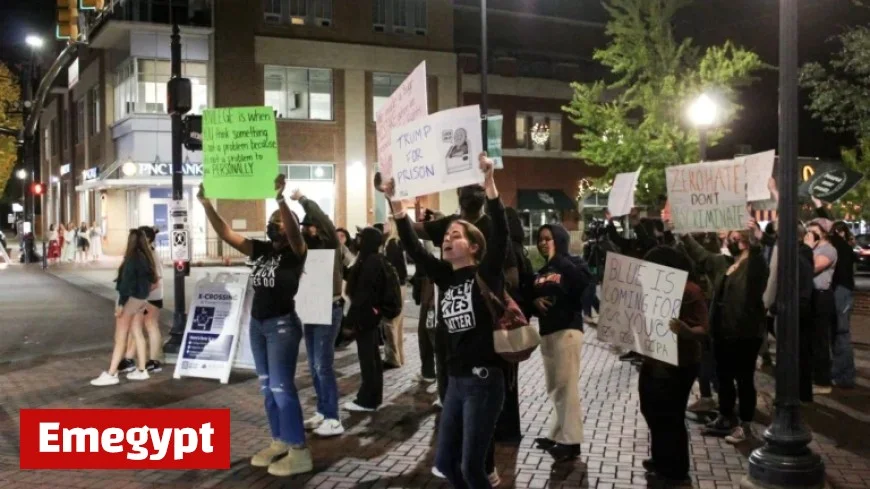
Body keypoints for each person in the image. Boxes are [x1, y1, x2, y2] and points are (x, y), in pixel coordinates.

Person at [388, 153, 506, 489]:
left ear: (473, 247)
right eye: (445, 236)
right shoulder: (446, 277)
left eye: (455, 235)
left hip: (483, 382)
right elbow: (414, 244)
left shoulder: (487, 273)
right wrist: (397, 204)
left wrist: (490, 186)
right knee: (444, 463)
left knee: (472, 468)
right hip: (455, 383)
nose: (446, 239)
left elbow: (501, 234)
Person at [199, 177, 312, 476]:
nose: (275, 225)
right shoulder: (261, 250)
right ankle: (279, 441)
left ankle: (299, 450)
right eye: (273, 221)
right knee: (266, 387)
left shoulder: (296, 252)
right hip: (258, 325)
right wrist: (206, 204)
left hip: (282, 327)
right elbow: (227, 234)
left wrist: (280, 200)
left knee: (281, 386)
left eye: (280, 222)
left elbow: (294, 233)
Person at [681, 226, 768, 444]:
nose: (727, 241)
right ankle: (726, 416)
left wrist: (758, 240)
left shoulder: (754, 266)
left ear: (742, 240)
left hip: (744, 333)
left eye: (731, 237)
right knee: (724, 378)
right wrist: (684, 234)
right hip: (722, 332)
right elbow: (702, 256)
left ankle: (745, 425)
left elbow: (759, 263)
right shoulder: (726, 264)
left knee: (744, 379)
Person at [639, 246, 709, 487]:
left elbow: (703, 329)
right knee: (651, 409)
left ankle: (675, 469)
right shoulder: (652, 289)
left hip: (680, 363)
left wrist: (687, 331)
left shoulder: (690, 290)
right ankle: (661, 458)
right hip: (654, 360)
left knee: (670, 415)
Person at [289, 189, 346, 438]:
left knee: (323, 365)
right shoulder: (304, 251)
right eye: (304, 226)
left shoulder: (330, 246)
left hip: (329, 307)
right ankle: (323, 412)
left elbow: (322, 219)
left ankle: (334, 418)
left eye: (310, 226)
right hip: (311, 308)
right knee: (313, 365)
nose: (306, 229)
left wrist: (303, 199)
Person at [530, 223, 588, 462]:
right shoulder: (543, 270)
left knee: (566, 387)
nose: (543, 243)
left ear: (560, 239)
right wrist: (534, 302)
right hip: (548, 332)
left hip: (568, 331)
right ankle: (557, 434)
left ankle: (571, 441)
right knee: (555, 387)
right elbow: (530, 293)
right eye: (540, 239)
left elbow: (582, 284)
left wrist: (560, 257)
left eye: (549, 238)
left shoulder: (574, 264)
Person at [90, 229, 157, 386]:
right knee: (137, 333)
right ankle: (142, 370)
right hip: (142, 299)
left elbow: (126, 284)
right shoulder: (146, 258)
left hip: (130, 300)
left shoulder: (132, 259)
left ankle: (112, 373)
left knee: (120, 338)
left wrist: (121, 304)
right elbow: (152, 282)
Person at [343, 226, 393, 413]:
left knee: (368, 359)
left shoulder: (370, 262)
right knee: (371, 358)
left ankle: (368, 399)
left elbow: (363, 294)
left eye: (361, 237)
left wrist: (350, 322)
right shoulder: (372, 259)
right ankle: (371, 397)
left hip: (366, 317)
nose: (357, 240)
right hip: (370, 316)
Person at [118, 226, 165, 374]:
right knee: (138, 326)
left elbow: (156, 278)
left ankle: (152, 361)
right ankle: (131, 359)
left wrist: (140, 291)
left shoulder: (150, 253)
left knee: (148, 325)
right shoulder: (147, 252)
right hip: (148, 295)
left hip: (149, 296)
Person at [805, 219, 838, 395]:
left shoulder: (829, 250)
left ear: (823, 232)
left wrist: (808, 248)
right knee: (810, 338)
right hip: (810, 295)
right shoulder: (814, 248)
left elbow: (813, 267)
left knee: (820, 339)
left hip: (822, 296)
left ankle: (823, 380)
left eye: (814, 230)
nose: (810, 232)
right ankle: (811, 376)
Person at [381, 216, 407, 369]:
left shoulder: (391, 244)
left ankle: (392, 358)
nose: (384, 225)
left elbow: (391, 269)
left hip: (395, 286)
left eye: (386, 222)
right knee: (398, 323)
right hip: (401, 285)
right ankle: (400, 356)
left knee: (390, 322)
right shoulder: (398, 242)